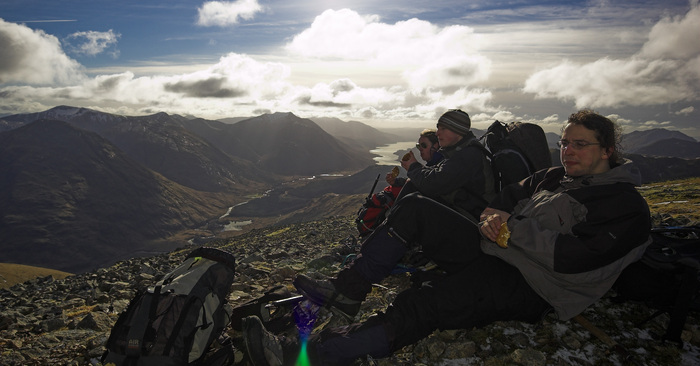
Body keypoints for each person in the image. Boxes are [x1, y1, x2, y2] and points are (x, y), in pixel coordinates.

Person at [242, 109, 653, 366]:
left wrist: (510, 228)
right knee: (415, 207)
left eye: (580, 145)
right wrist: (496, 218)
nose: (568, 152)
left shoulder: (625, 207)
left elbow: (572, 258)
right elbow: (506, 198)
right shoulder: (553, 177)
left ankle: (314, 357)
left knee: (423, 304)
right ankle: (348, 290)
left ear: (609, 149)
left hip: (534, 285)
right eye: (564, 143)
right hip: (495, 248)